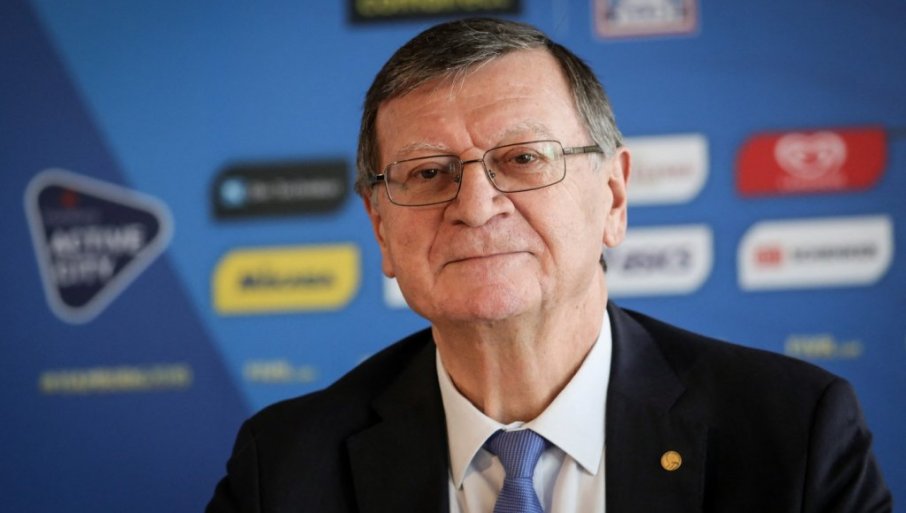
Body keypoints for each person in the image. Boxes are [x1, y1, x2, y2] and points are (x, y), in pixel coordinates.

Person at [206, 17, 891, 513]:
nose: (476, 207)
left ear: (613, 196)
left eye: (523, 159)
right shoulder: (284, 468)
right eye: (428, 172)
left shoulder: (794, 433)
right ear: (380, 226)